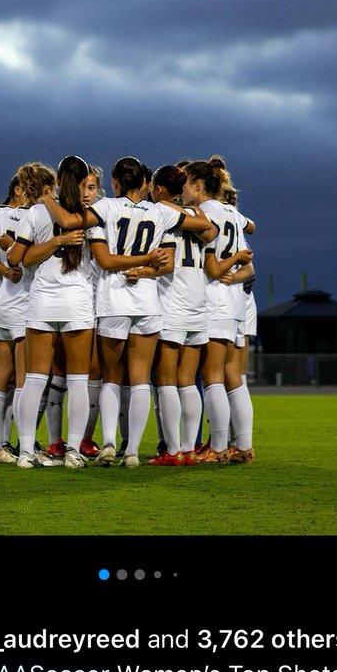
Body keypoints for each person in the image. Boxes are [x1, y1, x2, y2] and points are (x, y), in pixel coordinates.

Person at [43, 155, 214, 467]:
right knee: (139, 381)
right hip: (148, 303)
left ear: (115, 183)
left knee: (111, 378)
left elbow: (104, 260)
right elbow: (202, 229)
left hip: (114, 302)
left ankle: (109, 443)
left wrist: (45, 199)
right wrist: (148, 257)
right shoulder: (161, 211)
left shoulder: (107, 208)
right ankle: (132, 451)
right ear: (146, 184)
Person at [6, 155, 98, 470]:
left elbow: (19, 257)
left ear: (57, 180)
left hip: (42, 301)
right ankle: (73, 451)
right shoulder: (92, 213)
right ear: (85, 182)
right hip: (78, 302)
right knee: (77, 381)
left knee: (34, 380)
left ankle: (27, 452)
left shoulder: (37, 211)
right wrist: (60, 239)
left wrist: (50, 240)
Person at [0, 162, 58, 465]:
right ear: (46, 189)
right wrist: (14, 270)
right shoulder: (38, 215)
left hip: (2, 305)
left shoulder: (0, 213)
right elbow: (30, 256)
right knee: (27, 380)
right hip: (26, 303)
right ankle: (26, 449)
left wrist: (0, 272)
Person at [180, 160, 253, 463]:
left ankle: (219, 448)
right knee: (233, 376)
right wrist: (234, 271)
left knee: (212, 377)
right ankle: (244, 446)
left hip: (214, 301)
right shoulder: (233, 213)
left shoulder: (205, 213)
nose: (181, 190)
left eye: (185, 183)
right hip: (236, 302)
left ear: (197, 184)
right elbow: (248, 260)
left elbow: (211, 268)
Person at [143, 164, 217, 466]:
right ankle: (189, 449)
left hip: (171, 303)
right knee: (188, 381)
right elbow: (210, 231)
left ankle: (172, 451)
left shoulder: (159, 210)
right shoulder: (197, 215)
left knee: (166, 381)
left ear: (158, 189)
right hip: (197, 304)